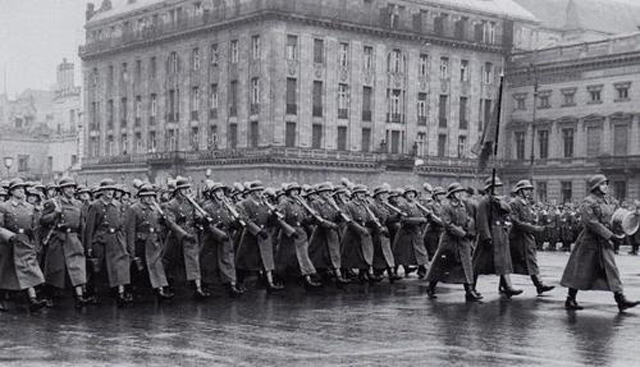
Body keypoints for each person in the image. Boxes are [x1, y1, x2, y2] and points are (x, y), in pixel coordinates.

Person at [561, 174, 640, 312]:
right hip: (589, 241)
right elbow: (591, 222)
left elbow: (615, 217)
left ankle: (620, 300)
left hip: (604, 242)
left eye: (606, 184)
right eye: (603, 184)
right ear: (596, 187)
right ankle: (570, 298)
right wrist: (610, 235)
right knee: (581, 270)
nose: (606, 187)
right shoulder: (588, 202)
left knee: (612, 269)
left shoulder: (606, 201)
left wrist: (632, 216)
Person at [39, 177, 92, 307]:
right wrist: (55, 214)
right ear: (62, 189)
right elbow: (43, 220)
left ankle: (79, 297)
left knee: (77, 268)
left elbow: (82, 224)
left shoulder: (78, 204)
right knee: (55, 269)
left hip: (73, 238)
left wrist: (83, 242)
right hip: (58, 238)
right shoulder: (53, 203)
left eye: (73, 187)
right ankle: (49, 296)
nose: (71, 190)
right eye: (68, 187)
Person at [425, 183, 481, 301]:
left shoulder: (463, 205)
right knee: (440, 265)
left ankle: (469, 291)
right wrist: (462, 233)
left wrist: (469, 230)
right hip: (449, 241)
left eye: (461, 192)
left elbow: (469, 219)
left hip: (463, 241)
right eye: (458, 192)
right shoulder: (446, 207)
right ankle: (431, 287)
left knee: (466, 265)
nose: (460, 194)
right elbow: (447, 224)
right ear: (452, 195)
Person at [0, 178, 48, 311]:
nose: (21, 191)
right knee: (4, 272)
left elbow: (34, 228)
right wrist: (9, 236)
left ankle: (33, 300)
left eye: (22, 189)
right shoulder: (4, 206)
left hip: (24, 241)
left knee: (28, 270)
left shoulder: (29, 207)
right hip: (8, 243)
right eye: (17, 189)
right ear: (11, 192)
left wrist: (35, 244)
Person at [84, 178, 133, 306]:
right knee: (97, 268)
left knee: (119, 267)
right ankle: (91, 292)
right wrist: (89, 246)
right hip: (100, 240)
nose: (110, 192)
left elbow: (122, 225)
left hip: (116, 239)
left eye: (112, 190)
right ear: (102, 191)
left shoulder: (117, 205)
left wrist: (123, 241)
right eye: (107, 190)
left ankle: (120, 294)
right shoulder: (95, 206)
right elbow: (89, 228)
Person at [473, 176, 522, 297]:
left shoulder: (498, 200)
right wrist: (486, 237)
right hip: (489, 236)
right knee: (477, 265)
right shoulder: (484, 201)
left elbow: (508, 210)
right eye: (495, 187)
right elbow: (482, 220)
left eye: (498, 187)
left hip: (500, 235)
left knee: (503, 263)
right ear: (489, 189)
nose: (498, 189)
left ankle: (507, 287)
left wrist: (498, 202)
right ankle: (471, 288)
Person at [124, 184, 174, 302]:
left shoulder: (155, 208)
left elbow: (160, 226)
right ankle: (129, 290)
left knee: (156, 266)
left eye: (151, 196)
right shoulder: (134, 209)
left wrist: (164, 219)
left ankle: (160, 290)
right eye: (146, 196)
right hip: (140, 243)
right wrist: (131, 250)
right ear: (141, 197)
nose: (149, 198)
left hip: (153, 242)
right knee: (136, 268)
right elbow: (130, 230)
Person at [162, 176, 210, 299]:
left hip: (191, 235)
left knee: (193, 261)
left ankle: (198, 288)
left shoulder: (191, 203)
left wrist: (202, 219)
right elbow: (171, 223)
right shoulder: (170, 204)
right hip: (176, 238)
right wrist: (183, 234)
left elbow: (195, 217)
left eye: (187, 188)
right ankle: (168, 285)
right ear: (178, 190)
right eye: (183, 189)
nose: (186, 191)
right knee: (171, 262)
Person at [508, 180, 554, 295]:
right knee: (509, 262)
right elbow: (516, 222)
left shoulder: (526, 203)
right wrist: (533, 228)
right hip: (516, 237)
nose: (528, 192)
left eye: (529, 190)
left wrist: (534, 225)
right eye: (526, 189)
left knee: (531, 260)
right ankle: (505, 285)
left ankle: (539, 285)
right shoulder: (514, 203)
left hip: (526, 236)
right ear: (520, 191)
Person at [392, 186, 429, 278]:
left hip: (416, 232)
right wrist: (420, 220)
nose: (411, 195)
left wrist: (424, 219)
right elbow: (404, 220)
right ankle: (394, 271)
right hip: (405, 233)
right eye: (409, 193)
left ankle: (421, 269)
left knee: (420, 252)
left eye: (413, 193)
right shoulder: (402, 206)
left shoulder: (418, 206)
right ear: (405, 196)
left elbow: (423, 216)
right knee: (400, 253)